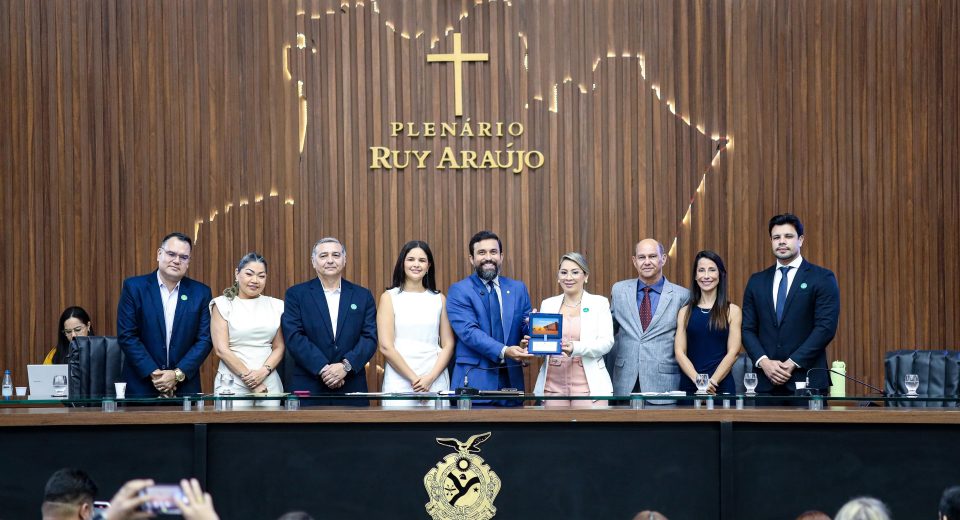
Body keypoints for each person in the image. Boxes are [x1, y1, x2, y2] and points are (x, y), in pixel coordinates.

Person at [741, 214, 840, 397]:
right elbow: (747, 329)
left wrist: (791, 363)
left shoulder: (822, 278)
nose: (782, 242)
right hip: (765, 382)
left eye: (788, 236)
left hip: (807, 381)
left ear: (800, 240)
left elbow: (825, 328)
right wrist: (765, 363)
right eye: (776, 237)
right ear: (771, 241)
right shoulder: (757, 281)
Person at [282, 237, 377, 405]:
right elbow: (294, 336)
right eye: (323, 256)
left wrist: (345, 367)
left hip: (351, 383)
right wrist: (324, 369)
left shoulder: (363, 295)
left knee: (354, 431)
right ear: (313, 261)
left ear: (344, 259)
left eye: (336, 255)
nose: (330, 260)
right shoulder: (296, 295)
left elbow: (370, 337)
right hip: (309, 384)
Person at [116, 232, 213, 397]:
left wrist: (176, 375)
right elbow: (127, 335)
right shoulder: (134, 288)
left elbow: (204, 339)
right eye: (171, 254)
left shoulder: (201, 293)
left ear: (188, 262)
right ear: (159, 254)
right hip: (142, 386)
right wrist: (156, 375)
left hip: (184, 389)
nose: (176, 261)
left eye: (183, 257)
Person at [446, 230, 533, 402]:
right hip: (474, 382)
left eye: (493, 252)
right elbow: (469, 333)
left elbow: (524, 327)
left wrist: (532, 329)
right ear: (471, 259)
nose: (488, 257)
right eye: (481, 253)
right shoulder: (459, 290)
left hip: (511, 382)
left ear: (501, 256)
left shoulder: (518, 289)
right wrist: (505, 351)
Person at [609, 239, 691, 396]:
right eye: (641, 257)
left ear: (664, 259)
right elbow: (607, 331)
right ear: (634, 261)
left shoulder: (683, 296)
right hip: (625, 382)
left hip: (664, 384)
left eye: (652, 256)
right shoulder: (619, 291)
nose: (647, 262)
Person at [377, 241, 454, 406]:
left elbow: (448, 344)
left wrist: (430, 378)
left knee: (438, 430)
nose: (416, 264)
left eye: (422, 260)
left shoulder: (439, 299)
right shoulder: (389, 297)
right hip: (399, 379)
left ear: (429, 266)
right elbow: (386, 346)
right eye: (411, 259)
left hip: (434, 378)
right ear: (402, 263)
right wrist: (415, 381)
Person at [532, 252, 614, 407]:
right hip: (552, 387)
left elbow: (606, 343)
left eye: (575, 272)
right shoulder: (548, 304)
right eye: (563, 272)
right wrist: (533, 343)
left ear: (586, 276)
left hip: (589, 387)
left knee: (588, 431)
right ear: (558, 277)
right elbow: (544, 346)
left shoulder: (599, 303)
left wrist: (575, 347)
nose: (568, 277)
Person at [209, 252, 285, 407]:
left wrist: (263, 372)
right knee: (231, 430)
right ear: (237, 274)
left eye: (261, 276)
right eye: (249, 274)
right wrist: (251, 380)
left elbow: (279, 347)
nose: (255, 280)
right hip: (231, 381)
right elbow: (221, 349)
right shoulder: (222, 304)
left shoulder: (276, 305)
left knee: (273, 430)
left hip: (268, 380)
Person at [674, 251, 741, 395]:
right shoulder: (684, 312)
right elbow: (680, 352)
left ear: (721, 274)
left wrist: (712, 383)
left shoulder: (732, 311)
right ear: (695, 276)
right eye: (701, 270)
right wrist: (699, 381)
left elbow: (734, 352)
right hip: (690, 384)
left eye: (712, 270)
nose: (706, 276)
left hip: (720, 385)